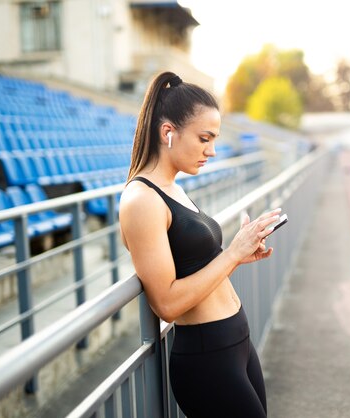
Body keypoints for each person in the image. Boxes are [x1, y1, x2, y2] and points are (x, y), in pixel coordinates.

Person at [118, 71, 279, 418]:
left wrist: (240, 256)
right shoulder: (141, 200)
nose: (212, 150)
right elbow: (167, 303)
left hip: (235, 341)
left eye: (215, 139)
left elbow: (195, 262)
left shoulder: (174, 186)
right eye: (204, 138)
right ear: (168, 133)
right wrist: (232, 253)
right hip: (208, 358)